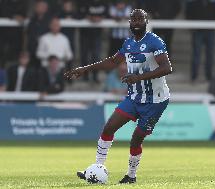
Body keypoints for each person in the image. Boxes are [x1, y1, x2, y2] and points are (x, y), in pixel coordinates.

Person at [65, 9, 172, 184]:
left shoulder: (155, 42)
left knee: (136, 139)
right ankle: (96, 169)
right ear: (130, 23)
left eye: (140, 19)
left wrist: (138, 77)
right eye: (133, 19)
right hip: (134, 97)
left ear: (146, 22)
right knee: (108, 128)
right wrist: (85, 69)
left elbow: (167, 68)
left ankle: (131, 175)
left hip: (155, 101)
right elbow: (113, 62)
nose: (136, 22)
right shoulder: (128, 43)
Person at [185, 0, 215, 82]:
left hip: (210, 31)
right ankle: (194, 76)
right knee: (196, 54)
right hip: (197, 32)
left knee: (210, 54)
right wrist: (192, 28)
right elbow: (188, 14)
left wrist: (214, 27)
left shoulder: (214, 4)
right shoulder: (193, 3)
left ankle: (209, 76)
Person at [77, 0, 108, 82]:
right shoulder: (83, 3)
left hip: (97, 34)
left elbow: (108, 15)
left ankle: (95, 76)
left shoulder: (103, 3)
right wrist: (89, 17)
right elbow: (78, 15)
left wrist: (101, 18)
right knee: (84, 56)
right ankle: (85, 76)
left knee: (96, 57)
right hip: (85, 34)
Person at [27, 0, 51, 68]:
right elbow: (29, 32)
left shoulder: (50, 20)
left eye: (42, 6)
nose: (39, 8)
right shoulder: (32, 20)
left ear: (46, 8)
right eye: (38, 6)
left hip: (46, 50)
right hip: (33, 49)